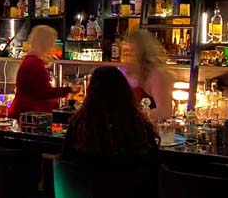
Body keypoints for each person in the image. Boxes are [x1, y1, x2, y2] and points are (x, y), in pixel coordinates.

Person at [62, 66, 160, 197]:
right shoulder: (139, 126)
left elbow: (66, 164)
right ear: (125, 91)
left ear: (91, 93)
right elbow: (153, 169)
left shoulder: (80, 125)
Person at [8, 25, 79, 119]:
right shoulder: (35, 63)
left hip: (23, 113)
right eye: (52, 42)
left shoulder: (30, 60)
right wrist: (69, 89)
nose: (53, 46)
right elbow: (44, 93)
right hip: (28, 116)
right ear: (45, 44)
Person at [123, 29, 173, 121]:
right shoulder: (129, 71)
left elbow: (165, 111)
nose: (127, 53)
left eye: (132, 49)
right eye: (126, 49)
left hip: (149, 132)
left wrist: (131, 119)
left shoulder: (156, 75)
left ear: (142, 51)